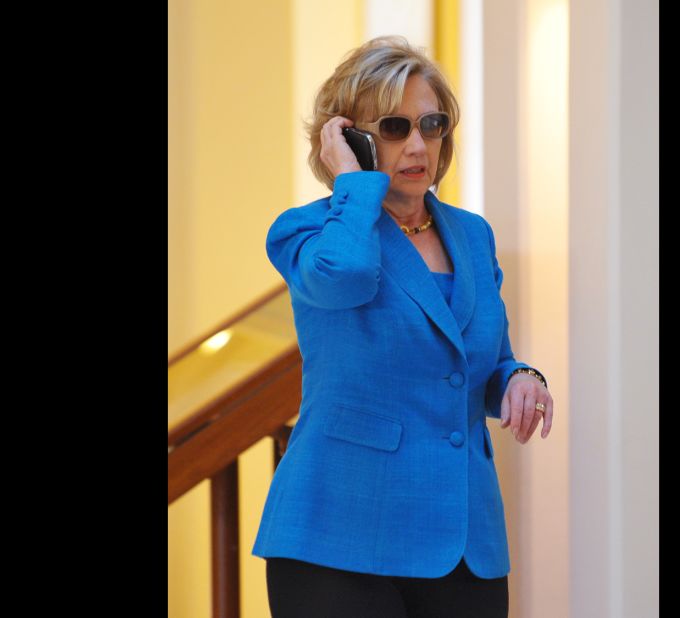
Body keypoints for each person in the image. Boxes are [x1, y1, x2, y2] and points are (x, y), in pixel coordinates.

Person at [252, 35, 554, 618]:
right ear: (348, 137)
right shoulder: (306, 232)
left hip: (464, 542)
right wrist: (356, 186)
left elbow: (488, 360)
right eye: (394, 128)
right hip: (337, 537)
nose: (419, 145)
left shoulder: (472, 235)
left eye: (432, 125)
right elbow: (346, 278)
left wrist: (521, 378)